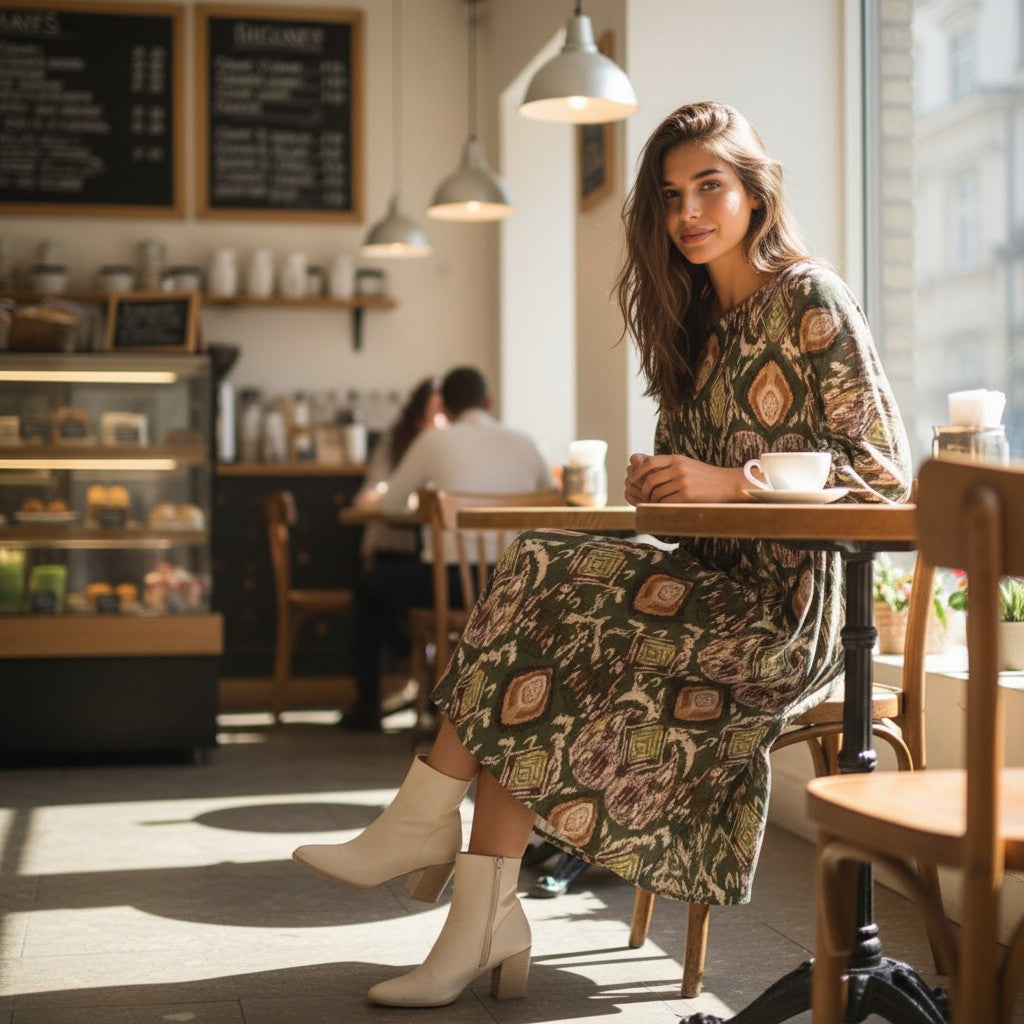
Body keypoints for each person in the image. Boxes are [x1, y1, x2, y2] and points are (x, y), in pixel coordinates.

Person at [293, 101, 911, 1007]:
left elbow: (886, 478)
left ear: (754, 193)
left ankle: (428, 825)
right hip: (707, 590)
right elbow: (692, 519)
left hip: (786, 622)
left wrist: (727, 482)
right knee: (538, 596)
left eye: (709, 187)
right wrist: (663, 489)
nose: (687, 212)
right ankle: (476, 915)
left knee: (542, 574)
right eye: (669, 195)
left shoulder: (810, 297)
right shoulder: (690, 330)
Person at [339, 365, 554, 732]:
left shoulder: (433, 441)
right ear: (489, 402)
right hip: (515, 582)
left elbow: (390, 504)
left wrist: (431, 508)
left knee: (368, 585)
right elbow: (552, 501)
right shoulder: (525, 441)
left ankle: (368, 704)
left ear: (444, 407)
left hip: (454, 582)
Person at [352, 376, 444, 571]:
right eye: (434, 413)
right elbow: (364, 500)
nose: (438, 422)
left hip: (440, 554)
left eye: (443, 414)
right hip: (395, 548)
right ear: (418, 418)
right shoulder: (392, 444)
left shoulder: (450, 448)